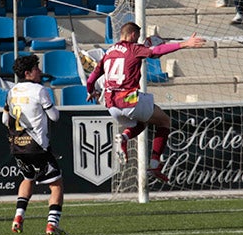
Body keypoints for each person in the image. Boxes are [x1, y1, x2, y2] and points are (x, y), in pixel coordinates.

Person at [85, 22, 206, 182]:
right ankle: (155, 164)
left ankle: (124, 139)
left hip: (111, 105)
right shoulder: (133, 48)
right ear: (133, 35)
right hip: (128, 99)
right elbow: (156, 50)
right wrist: (185, 44)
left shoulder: (108, 53)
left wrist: (91, 91)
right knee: (164, 121)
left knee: (141, 124)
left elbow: (91, 79)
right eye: (137, 37)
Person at [4, 53, 67, 235]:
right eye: (36, 68)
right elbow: (54, 116)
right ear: (28, 73)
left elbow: (4, 118)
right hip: (37, 146)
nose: (39, 71)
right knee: (56, 185)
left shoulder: (12, 91)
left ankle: (18, 217)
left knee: (28, 178)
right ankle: (52, 225)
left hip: (17, 145)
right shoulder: (40, 91)